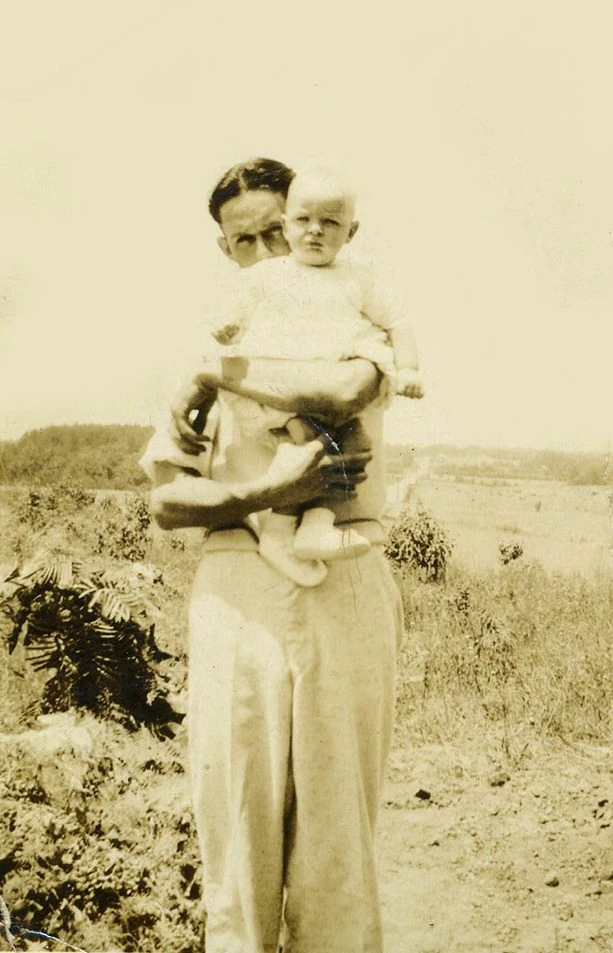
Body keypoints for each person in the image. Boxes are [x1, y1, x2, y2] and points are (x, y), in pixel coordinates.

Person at [141, 157, 404, 953]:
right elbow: (166, 499)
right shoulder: (205, 350)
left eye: (275, 232)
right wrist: (266, 491)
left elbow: (348, 392)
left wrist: (221, 376)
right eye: (242, 239)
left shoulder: (356, 329)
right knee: (238, 827)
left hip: (344, 583)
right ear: (226, 251)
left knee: (336, 836)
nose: (263, 254)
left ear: (307, 231)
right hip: (236, 590)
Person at [206, 164, 423, 584]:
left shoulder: (355, 282)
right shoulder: (266, 279)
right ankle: (282, 529)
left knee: (351, 449)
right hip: (240, 564)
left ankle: (316, 526)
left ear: (350, 231)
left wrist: (409, 367)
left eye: (329, 222)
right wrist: (226, 333)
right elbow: (234, 318)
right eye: (303, 222)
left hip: (349, 573)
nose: (314, 232)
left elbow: (355, 380)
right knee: (307, 449)